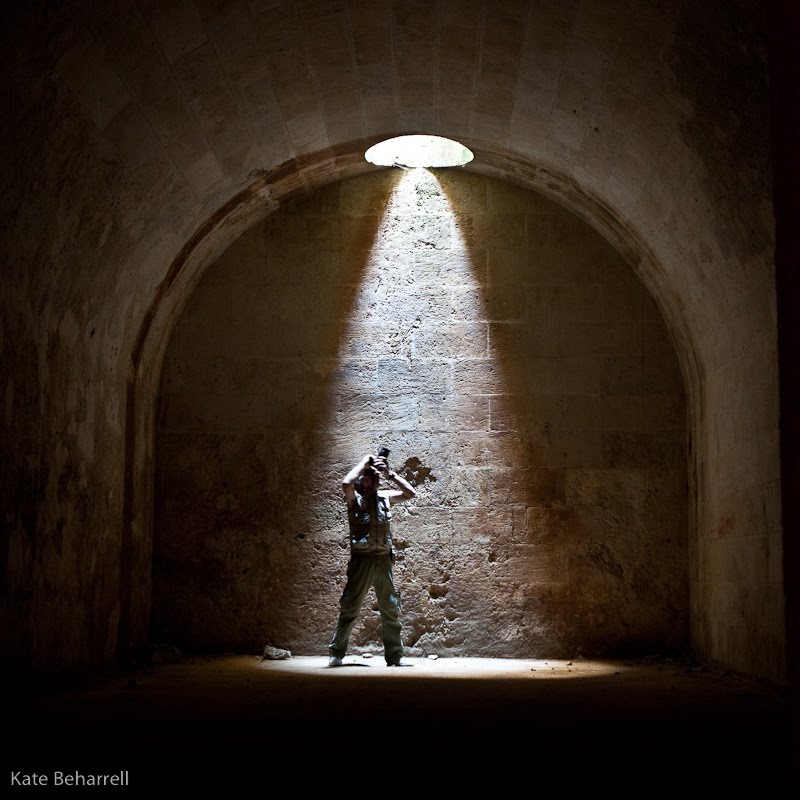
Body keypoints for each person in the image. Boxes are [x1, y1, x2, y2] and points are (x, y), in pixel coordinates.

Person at [328, 452, 417, 667]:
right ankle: (336, 653)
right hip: (362, 559)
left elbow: (410, 493)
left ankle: (395, 657)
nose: (373, 478)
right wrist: (365, 462)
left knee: (390, 608)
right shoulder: (354, 499)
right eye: (369, 476)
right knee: (350, 606)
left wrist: (389, 472)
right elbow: (346, 482)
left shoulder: (385, 497)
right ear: (362, 479)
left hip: (383, 560)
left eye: (374, 476)